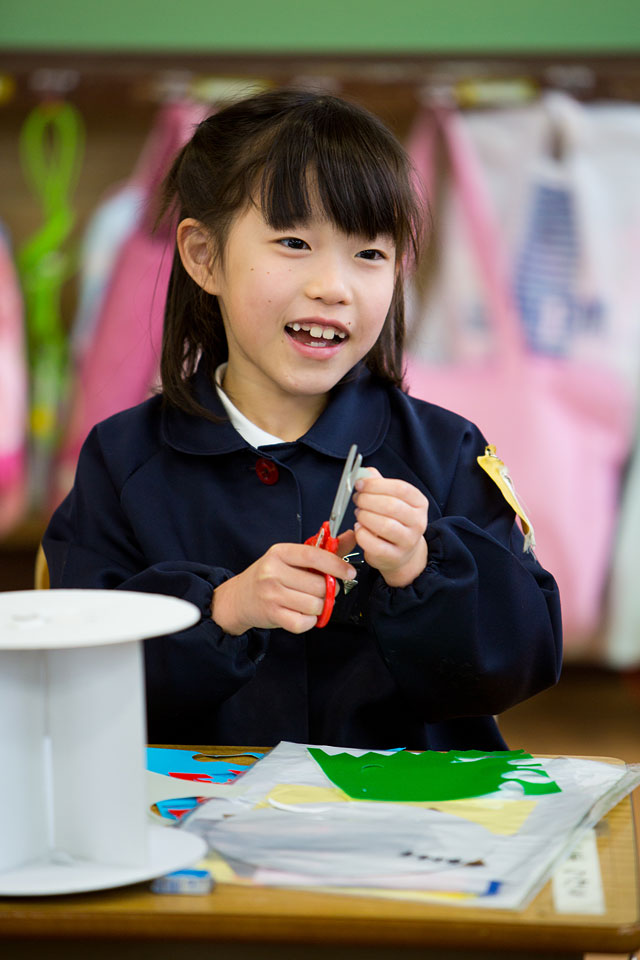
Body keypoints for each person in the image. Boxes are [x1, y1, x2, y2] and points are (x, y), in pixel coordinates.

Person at [43, 89, 562, 750]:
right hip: (199, 812)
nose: (333, 287)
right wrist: (223, 611)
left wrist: (420, 568)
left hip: (405, 813)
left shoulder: (447, 450)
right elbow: (77, 675)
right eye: (294, 242)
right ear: (203, 256)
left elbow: (525, 661)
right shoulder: (122, 460)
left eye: (369, 254)